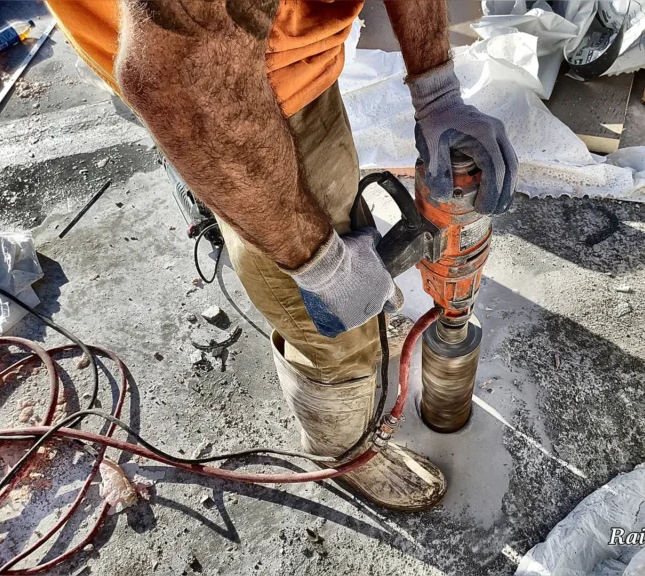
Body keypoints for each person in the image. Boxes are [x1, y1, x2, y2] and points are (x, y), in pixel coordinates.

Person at [46, 0, 518, 511]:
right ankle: (340, 449)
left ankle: (210, 186)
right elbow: (172, 81)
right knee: (330, 328)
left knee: (246, 190)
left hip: (264, 60)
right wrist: (321, 264)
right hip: (215, 86)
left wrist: (437, 89)